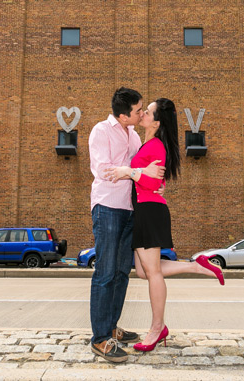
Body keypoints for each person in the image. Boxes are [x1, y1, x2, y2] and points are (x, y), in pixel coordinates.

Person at [107, 98, 225, 353]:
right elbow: (149, 181)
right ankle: (196, 266)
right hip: (145, 210)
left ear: (156, 122)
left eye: (147, 112)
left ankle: (157, 327)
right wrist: (136, 172)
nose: (143, 115)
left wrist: (128, 171)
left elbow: (150, 184)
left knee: (153, 273)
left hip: (150, 211)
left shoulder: (157, 147)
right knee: (142, 270)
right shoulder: (147, 145)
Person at [88, 87, 166, 363]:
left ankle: (111, 327)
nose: (141, 112)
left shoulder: (133, 135)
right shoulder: (101, 131)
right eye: (137, 110)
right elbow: (105, 171)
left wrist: (155, 183)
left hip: (131, 210)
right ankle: (99, 339)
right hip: (107, 207)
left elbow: (143, 168)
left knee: (122, 273)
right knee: (106, 273)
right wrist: (139, 173)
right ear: (123, 116)